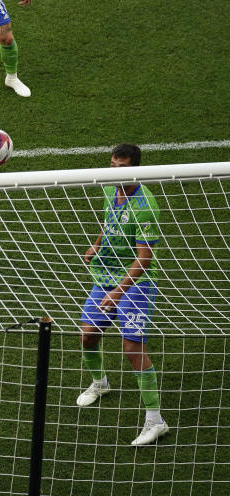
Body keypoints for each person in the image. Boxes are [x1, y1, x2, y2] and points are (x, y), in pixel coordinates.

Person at [76, 143, 168, 446]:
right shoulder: (109, 190)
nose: (114, 171)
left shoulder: (146, 205)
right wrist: (97, 244)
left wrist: (118, 292)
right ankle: (100, 383)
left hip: (135, 283)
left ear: (136, 169)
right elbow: (109, 222)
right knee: (88, 335)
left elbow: (144, 258)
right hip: (105, 276)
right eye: (112, 165)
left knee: (132, 348)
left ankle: (156, 421)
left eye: (122, 168)